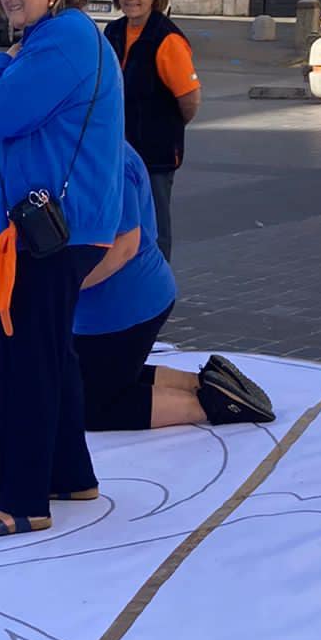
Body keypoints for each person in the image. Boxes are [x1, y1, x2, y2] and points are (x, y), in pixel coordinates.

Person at [0, 0, 124, 538]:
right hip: (56, 227)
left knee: (27, 358)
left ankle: (24, 501)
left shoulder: (59, 42)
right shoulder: (55, 39)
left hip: (52, 229)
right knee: (50, 350)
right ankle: (69, 473)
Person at [74, 143, 266, 430]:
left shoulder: (106, 157)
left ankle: (214, 403)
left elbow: (124, 245)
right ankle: (205, 383)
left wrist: (57, 290)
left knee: (93, 406)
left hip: (121, 305)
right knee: (83, 376)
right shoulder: (90, 146)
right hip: (113, 302)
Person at [104, 0, 200, 263]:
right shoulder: (113, 32)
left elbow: (189, 100)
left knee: (154, 227)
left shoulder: (167, 38)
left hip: (155, 155)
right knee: (119, 225)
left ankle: (156, 295)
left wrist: (164, 126)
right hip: (117, 151)